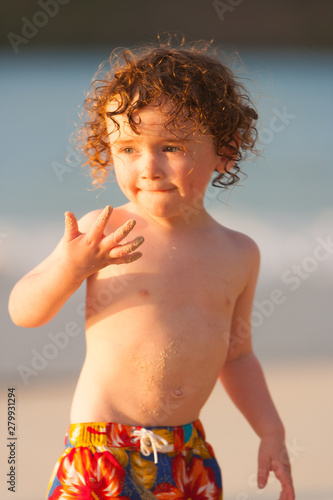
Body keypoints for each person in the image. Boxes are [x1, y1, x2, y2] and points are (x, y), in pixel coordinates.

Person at [9, 42, 295, 499]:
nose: (148, 167)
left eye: (171, 146)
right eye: (127, 147)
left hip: (186, 454)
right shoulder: (105, 231)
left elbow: (237, 356)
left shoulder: (239, 253)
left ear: (226, 150)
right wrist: (70, 265)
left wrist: (272, 431)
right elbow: (24, 310)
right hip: (102, 448)